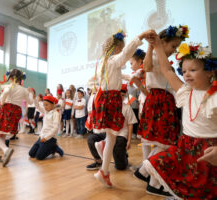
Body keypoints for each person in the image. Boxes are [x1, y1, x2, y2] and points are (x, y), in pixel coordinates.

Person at [138, 34, 217, 199]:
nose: (186, 74)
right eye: (184, 70)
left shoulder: (215, 97)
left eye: (193, 70)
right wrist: (158, 45)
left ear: (210, 71)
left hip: (209, 151)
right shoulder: (184, 92)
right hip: (186, 149)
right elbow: (167, 70)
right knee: (186, 188)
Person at [87, 29, 155, 187]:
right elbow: (126, 53)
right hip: (111, 100)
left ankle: (104, 171)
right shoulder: (114, 60)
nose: (126, 59)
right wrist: (140, 37)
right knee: (112, 135)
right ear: (117, 48)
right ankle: (103, 164)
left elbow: (112, 77)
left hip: (105, 99)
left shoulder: (104, 62)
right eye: (121, 48)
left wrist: (131, 76)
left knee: (111, 136)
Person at [134, 25, 189, 191]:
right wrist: (152, 45)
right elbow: (147, 67)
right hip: (159, 101)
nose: (174, 50)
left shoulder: (165, 61)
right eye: (173, 46)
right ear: (162, 42)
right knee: (165, 142)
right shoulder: (154, 57)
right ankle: (145, 172)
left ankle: (151, 180)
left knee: (165, 142)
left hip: (165, 100)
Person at [86, 84, 137, 171]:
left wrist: (128, 141)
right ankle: (99, 161)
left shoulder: (127, 108)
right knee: (91, 138)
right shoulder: (109, 106)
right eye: (118, 95)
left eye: (122, 95)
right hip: (108, 134)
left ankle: (123, 156)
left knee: (120, 167)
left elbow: (130, 124)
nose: (120, 97)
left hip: (120, 135)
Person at [0, 69, 33, 167]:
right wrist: (31, 94)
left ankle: (6, 150)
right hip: (17, 111)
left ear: (10, 77)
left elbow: (5, 92)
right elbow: (30, 102)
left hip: (8, 109)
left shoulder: (10, 86)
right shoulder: (24, 90)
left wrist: (1, 103)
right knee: (2, 133)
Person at [29, 95, 64, 160]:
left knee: (39, 157)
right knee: (31, 154)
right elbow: (38, 107)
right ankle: (49, 147)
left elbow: (55, 129)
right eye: (44, 105)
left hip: (50, 138)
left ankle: (54, 148)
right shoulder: (46, 112)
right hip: (42, 137)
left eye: (47, 105)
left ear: (53, 104)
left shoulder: (55, 114)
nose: (45, 107)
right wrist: (34, 99)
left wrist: (46, 138)